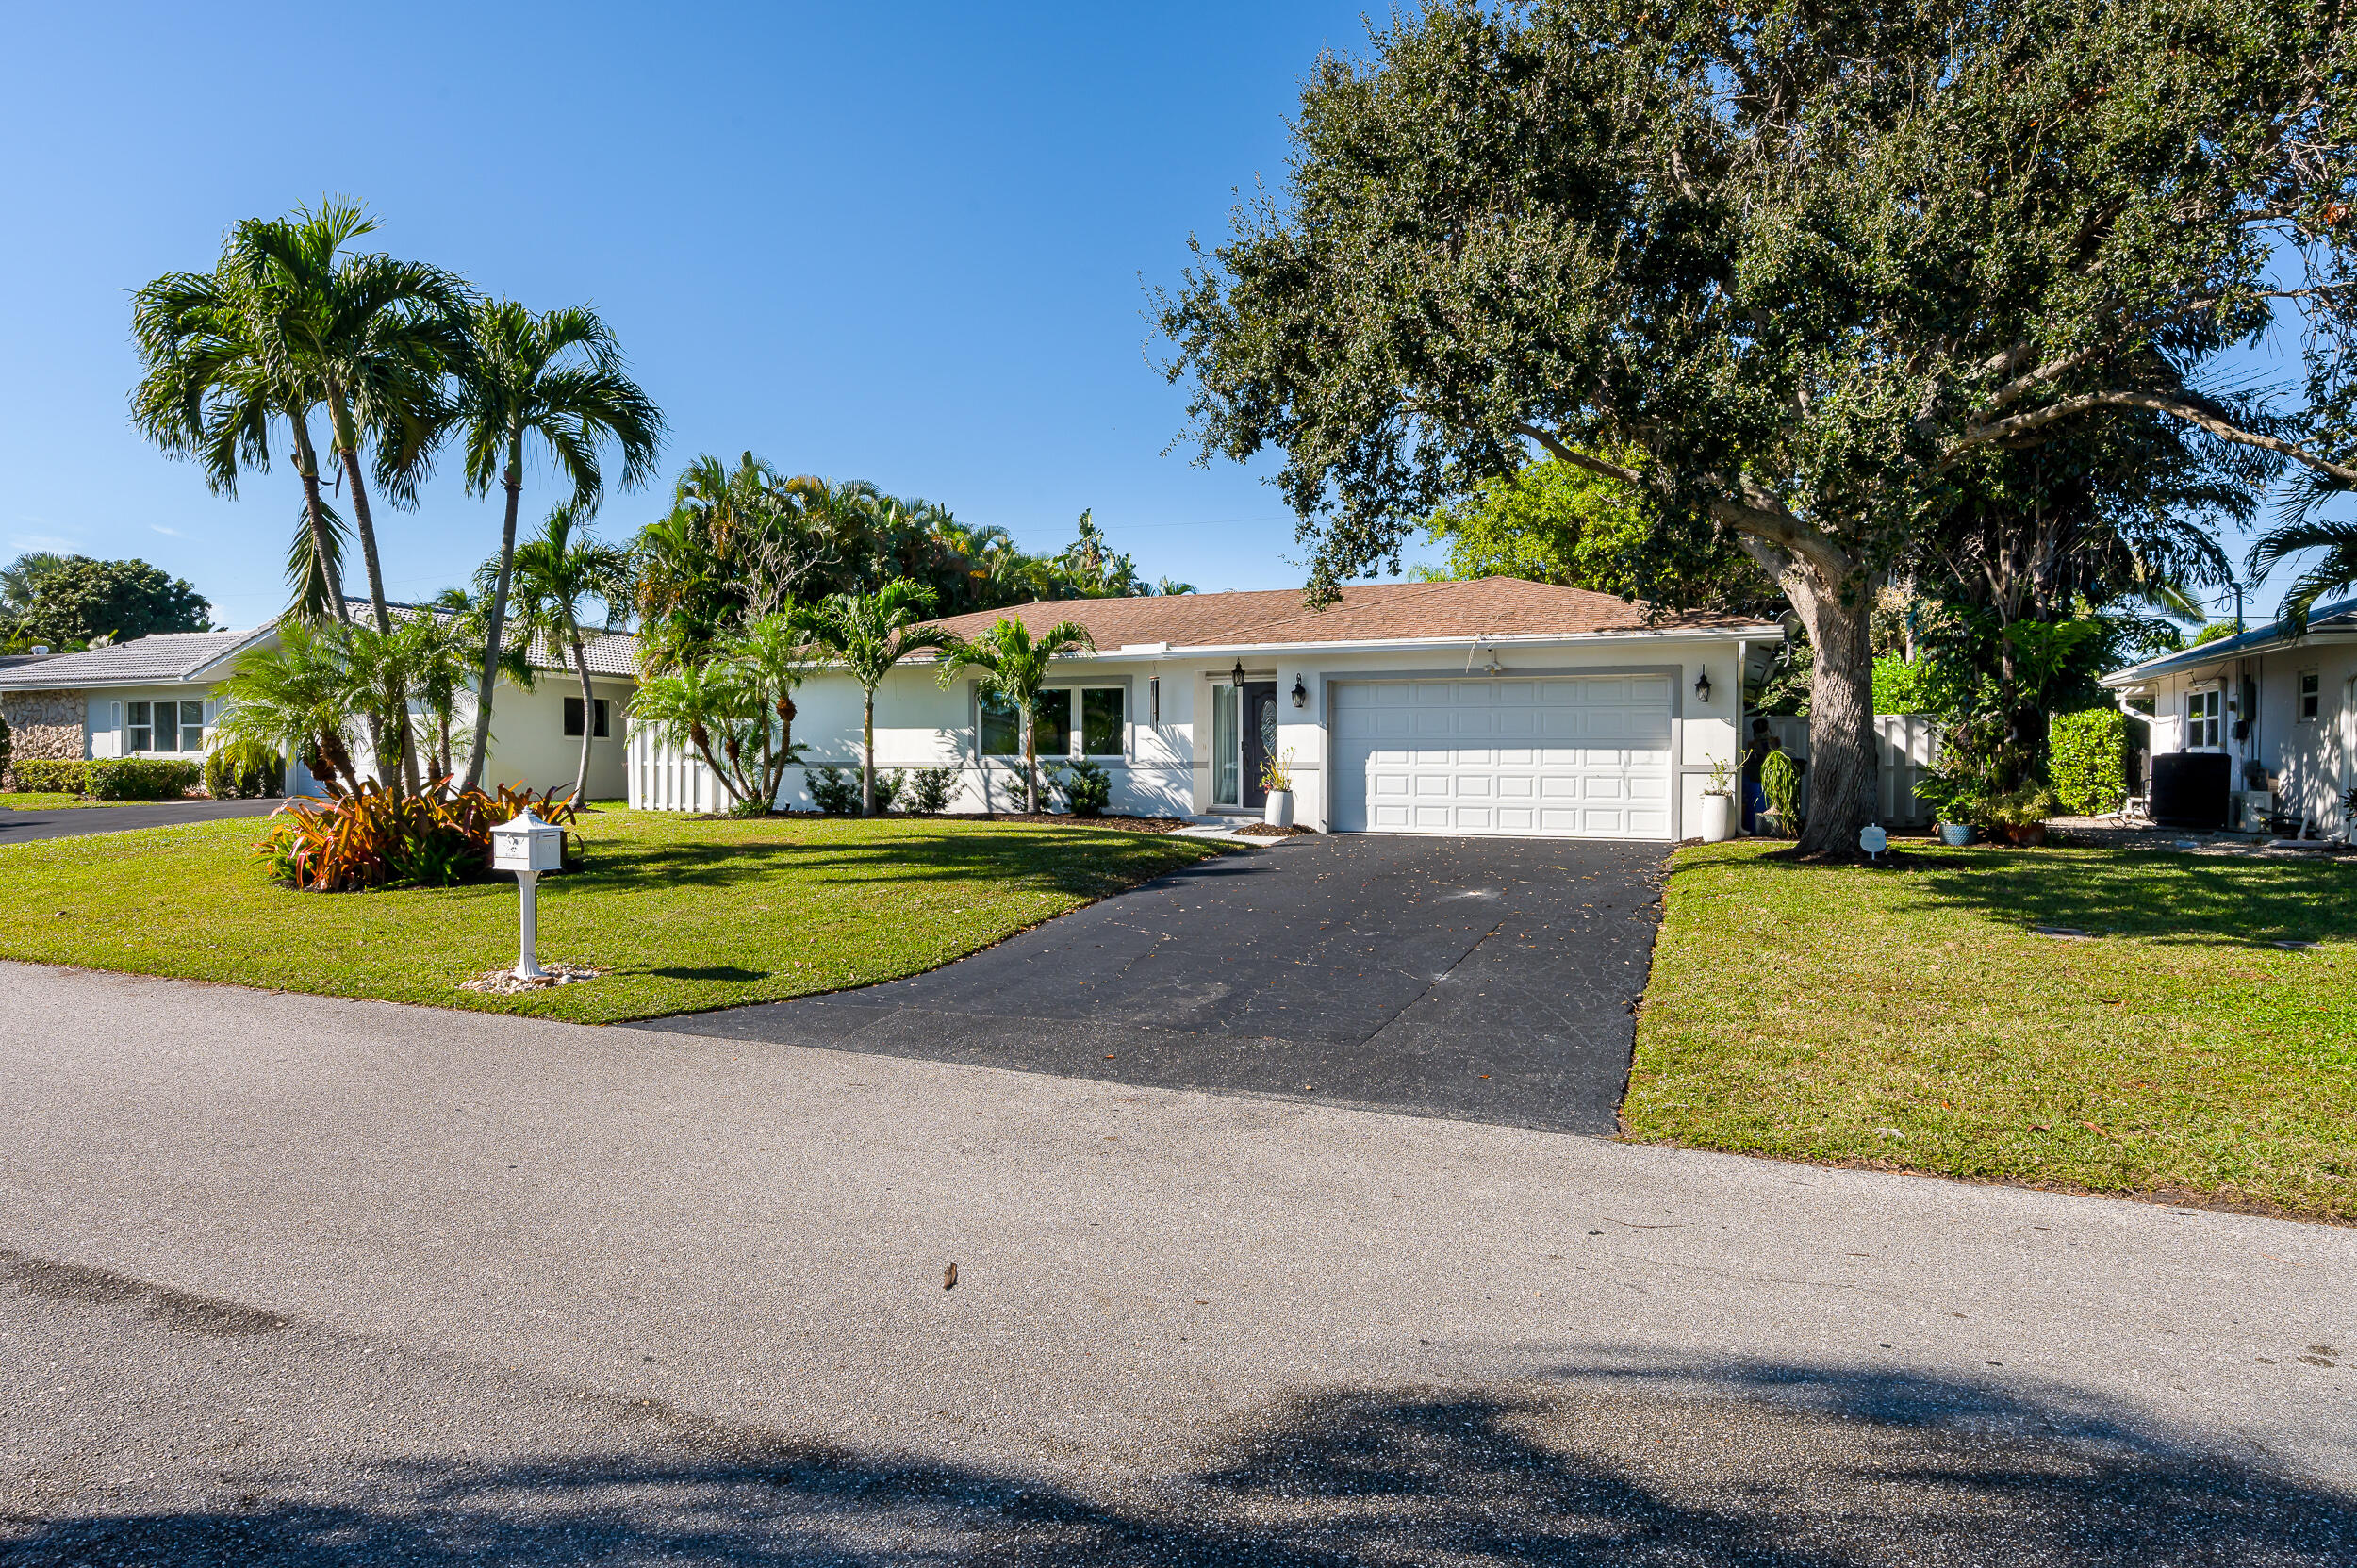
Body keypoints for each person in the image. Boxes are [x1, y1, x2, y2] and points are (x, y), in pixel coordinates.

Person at [1740, 718, 1773, 832]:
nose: (1763, 736)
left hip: (1768, 777)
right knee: (1755, 804)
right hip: (1755, 778)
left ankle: (1767, 828)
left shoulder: (1773, 741)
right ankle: (1755, 828)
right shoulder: (1752, 744)